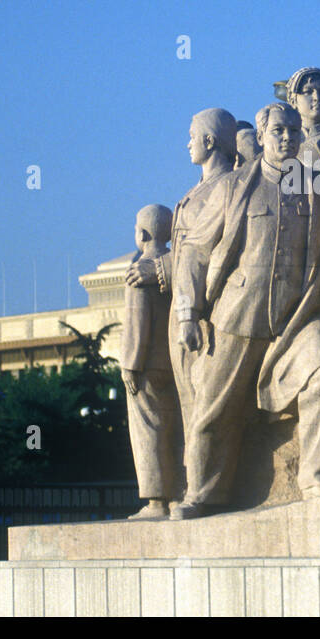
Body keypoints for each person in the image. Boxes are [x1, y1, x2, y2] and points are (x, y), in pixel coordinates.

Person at [172, 104, 320, 516]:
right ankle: (203, 493)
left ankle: (319, 478)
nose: (287, 137)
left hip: (299, 314)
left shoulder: (317, 188)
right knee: (213, 410)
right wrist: (187, 313)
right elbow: (194, 254)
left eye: (293, 130)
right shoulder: (235, 186)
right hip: (239, 314)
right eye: (278, 131)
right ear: (261, 134)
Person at [126, 107, 237, 438]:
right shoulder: (197, 191)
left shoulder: (225, 188)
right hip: (182, 309)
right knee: (189, 405)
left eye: (192, 138)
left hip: (206, 314)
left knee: (202, 407)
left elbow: (207, 253)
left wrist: (158, 268)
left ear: (209, 140)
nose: (187, 145)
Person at [117, 204, 180, 519]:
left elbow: (138, 324)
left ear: (142, 233)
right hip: (172, 363)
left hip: (145, 367)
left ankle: (157, 501)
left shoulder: (140, 268)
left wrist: (130, 363)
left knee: (149, 431)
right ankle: (177, 494)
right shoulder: (171, 268)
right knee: (172, 429)